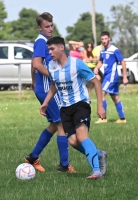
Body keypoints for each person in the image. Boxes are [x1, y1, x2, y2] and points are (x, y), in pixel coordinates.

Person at [41, 36, 107, 179]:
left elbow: (96, 83)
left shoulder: (77, 64)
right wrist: (46, 102)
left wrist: (100, 106)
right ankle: (99, 154)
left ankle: (96, 171)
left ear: (61, 48)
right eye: (48, 50)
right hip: (65, 108)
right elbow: (54, 85)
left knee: (82, 137)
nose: (50, 52)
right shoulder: (51, 66)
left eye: (52, 49)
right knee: (73, 141)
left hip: (80, 104)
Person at [26, 12, 76, 173]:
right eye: (46, 26)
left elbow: (34, 64)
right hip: (47, 90)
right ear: (39, 27)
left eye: (51, 25)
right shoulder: (41, 41)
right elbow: (36, 64)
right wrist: (55, 76)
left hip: (45, 89)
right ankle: (64, 165)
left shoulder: (45, 42)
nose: (50, 29)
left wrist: (33, 81)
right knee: (61, 124)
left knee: (55, 125)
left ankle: (32, 157)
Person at [93, 31, 128, 124]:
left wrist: (125, 77)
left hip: (112, 77)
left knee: (101, 94)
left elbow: (123, 62)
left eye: (105, 39)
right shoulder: (102, 50)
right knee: (115, 97)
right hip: (107, 76)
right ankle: (122, 118)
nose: (104, 41)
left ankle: (103, 118)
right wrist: (96, 68)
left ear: (109, 38)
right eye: (102, 39)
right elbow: (101, 61)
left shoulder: (114, 50)